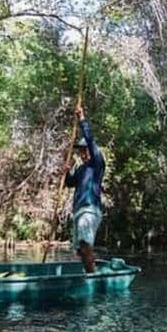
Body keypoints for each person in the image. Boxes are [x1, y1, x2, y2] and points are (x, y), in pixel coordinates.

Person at [63, 104, 105, 273]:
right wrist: (67, 172)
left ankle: (92, 276)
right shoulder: (81, 169)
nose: (82, 153)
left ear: (90, 150)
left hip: (90, 210)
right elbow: (70, 183)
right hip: (79, 211)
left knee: (85, 244)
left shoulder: (97, 164)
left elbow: (90, 140)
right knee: (80, 250)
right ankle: (90, 271)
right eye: (80, 151)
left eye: (85, 150)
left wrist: (81, 119)